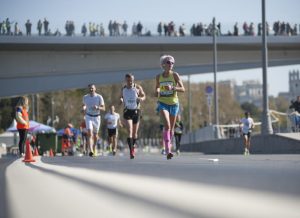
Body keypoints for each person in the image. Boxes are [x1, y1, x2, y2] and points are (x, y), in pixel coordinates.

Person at [155, 55, 185, 159]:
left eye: (172, 63)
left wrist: (173, 87)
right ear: (163, 64)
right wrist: (157, 91)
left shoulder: (175, 75)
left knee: (171, 129)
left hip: (174, 104)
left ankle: (169, 146)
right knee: (167, 125)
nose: (171, 64)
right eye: (168, 62)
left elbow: (183, 89)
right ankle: (168, 150)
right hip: (163, 103)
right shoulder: (159, 77)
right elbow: (156, 90)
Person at [120, 73, 146, 159]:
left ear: (133, 80)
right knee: (130, 131)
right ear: (126, 80)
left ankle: (133, 146)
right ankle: (131, 150)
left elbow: (143, 96)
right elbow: (121, 97)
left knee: (135, 134)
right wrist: (121, 99)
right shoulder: (123, 88)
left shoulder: (137, 87)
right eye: (128, 80)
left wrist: (141, 98)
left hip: (136, 111)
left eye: (131, 80)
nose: (130, 82)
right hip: (127, 111)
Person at [82, 84, 105, 157]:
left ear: (95, 89)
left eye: (92, 88)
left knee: (95, 136)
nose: (91, 90)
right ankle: (91, 150)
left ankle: (94, 147)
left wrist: (98, 107)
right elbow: (84, 105)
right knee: (90, 133)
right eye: (90, 88)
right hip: (88, 116)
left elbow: (103, 108)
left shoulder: (99, 97)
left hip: (97, 117)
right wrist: (84, 107)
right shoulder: (85, 97)